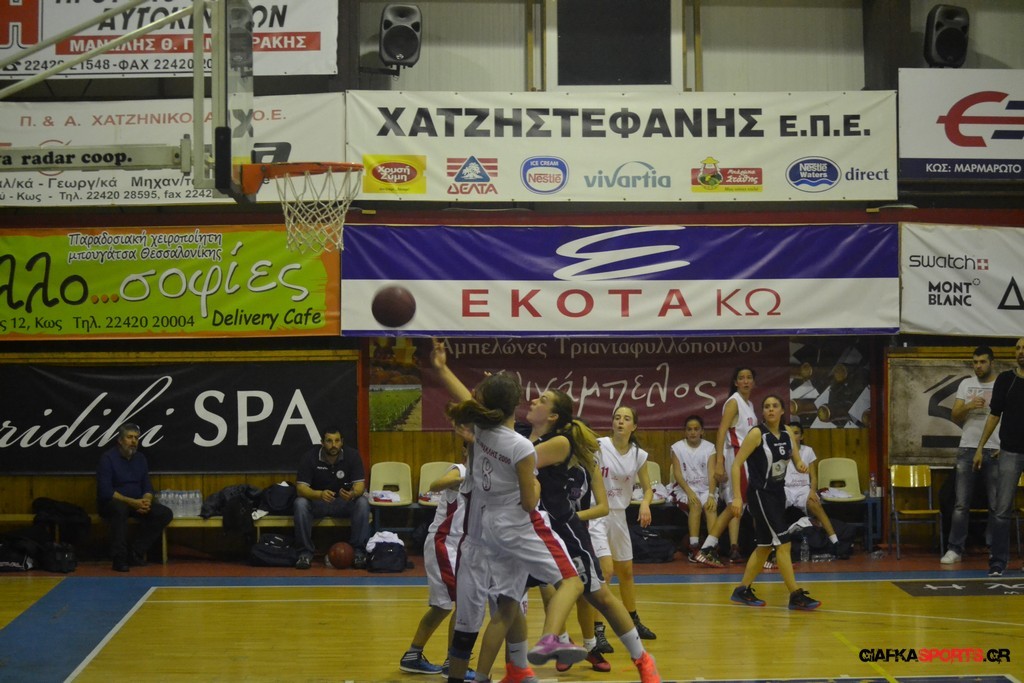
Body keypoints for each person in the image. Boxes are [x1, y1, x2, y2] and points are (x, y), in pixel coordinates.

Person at [429, 338, 587, 683]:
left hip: (480, 531)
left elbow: (467, 400)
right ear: (515, 404)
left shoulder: (482, 429)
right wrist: (538, 485)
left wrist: (441, 368)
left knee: (480, 620)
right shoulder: (521, 447)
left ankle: (498, 673)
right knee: (571, 580)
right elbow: (530, 502)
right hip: (514, 524)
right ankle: (551, 638)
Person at [527, 390, 660, 681]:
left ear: (554, 416)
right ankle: (547, 648)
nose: (533, 400)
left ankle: (641, 658)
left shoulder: (560, 444)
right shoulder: (534, 439)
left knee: (599, 595)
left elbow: (515, 460)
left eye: (543, 400)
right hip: (534, 530)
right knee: (512, 599)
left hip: (566, 531)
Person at [728, 395, 821, 611]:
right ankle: (795, 595)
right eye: (767, 406)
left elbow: (796, 458)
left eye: (775, 406)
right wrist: (737, 497)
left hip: (778, 494)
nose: (771, 409)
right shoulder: (756, 434)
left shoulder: (787, 432)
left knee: (764, 546)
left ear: (782, 411)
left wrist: (801, 465)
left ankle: (741, 590)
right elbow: (736, 464)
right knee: (783, 543)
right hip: (761, 494)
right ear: (762, 412)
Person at [584, 405, 658, 642]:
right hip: (597, 514)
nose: (620, 422)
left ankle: (633, 620)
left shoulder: (638, 455)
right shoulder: (599, 446)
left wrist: (645, 503)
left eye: (626, 419)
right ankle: (598, 630)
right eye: (617, 418)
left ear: (634, 426)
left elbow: (648, 489)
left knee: (626, 571)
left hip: (619, 515)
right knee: (605, 572)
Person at [400, 452, 469, 676]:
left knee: (442, 607)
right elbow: (436, 484)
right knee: (463, 604)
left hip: (462, 546)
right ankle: (454, 664)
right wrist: (462, 480)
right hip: (444, 543)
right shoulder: (460, 469)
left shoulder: (489, 477)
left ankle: (412, 656)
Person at [941, 345, 1000, 565]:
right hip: (967, 447)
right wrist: (969, 405)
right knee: (960, 503)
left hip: (994, 448)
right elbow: (955, 415)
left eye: (982, 362)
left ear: (991, 362)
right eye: (975, 362)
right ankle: (955, 549)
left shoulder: (1001, 384)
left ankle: (995, 548)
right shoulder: (966, 384)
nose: (978, 366)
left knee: (996, 504)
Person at [695, 367, 758, 567]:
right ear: (735, 382)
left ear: (754, 382)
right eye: (741, 378)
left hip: (748, 457)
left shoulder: (749, 404)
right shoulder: (734, 402)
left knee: (743, 504)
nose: (745, 381)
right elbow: (722, 431)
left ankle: (710, 548)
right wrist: (720, 462)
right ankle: (707, 548)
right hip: (736, 456)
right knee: (734, 504)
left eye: (749, 378)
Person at [973, 337, 1024, 577]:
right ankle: (998, 561)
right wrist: (980, 447)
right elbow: (994, 415)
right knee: (1002, 510)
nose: (1021, 351)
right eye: (1018, 348)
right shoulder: (1006, 379)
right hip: (1010, 452)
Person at [96, 422, 173, 572]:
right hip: (113, 503)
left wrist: (146, 501)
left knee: (164, 513)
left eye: (136, 438)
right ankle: (119, 558)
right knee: (120, 510)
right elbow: (105, 491)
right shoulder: (107, 458)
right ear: (120, 440)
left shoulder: (140, 458)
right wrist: (132, 502)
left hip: (137, 502)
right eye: (129, 437)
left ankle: (135, 552)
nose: (133, 441)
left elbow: (147, 487)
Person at [293, 428, 372, 570]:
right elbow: (301, 488)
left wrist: (352, 494)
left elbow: (360, 486)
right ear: (322, 442)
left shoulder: (352, 456)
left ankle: (358, 553)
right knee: (300, 503)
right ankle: (304, 554)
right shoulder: (309, 457)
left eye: (337, 441)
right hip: (318, 503)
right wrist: (319, 494)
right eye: (329, 441)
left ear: (342, 442)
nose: (333, 445)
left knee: (362, 502)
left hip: (343, 503)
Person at [784, 422, 841, 556]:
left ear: (802, 436)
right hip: (786, 488)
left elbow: (814, 477)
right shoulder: (782, 451)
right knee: (773, 506)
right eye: (790, 433)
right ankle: (775, 545)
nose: (793, 436)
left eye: (796, 433)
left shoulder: (808, 451)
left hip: (803, 488)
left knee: (815, 503)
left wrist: (812, 492)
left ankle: (834, 541)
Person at [669, 415, 717, 563]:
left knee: (710, 507)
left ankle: (711, 548)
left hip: (706, 488)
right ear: (685, 431)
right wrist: (690, 492)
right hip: (685, 488)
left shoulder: (710, 448)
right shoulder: (677, 448)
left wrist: (711, 495)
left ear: (702, 431)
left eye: (696, 429)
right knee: (695, 504)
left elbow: (712, 473)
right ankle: (694, 547)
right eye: (689, 429)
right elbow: (677, 474)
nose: (693, 432)